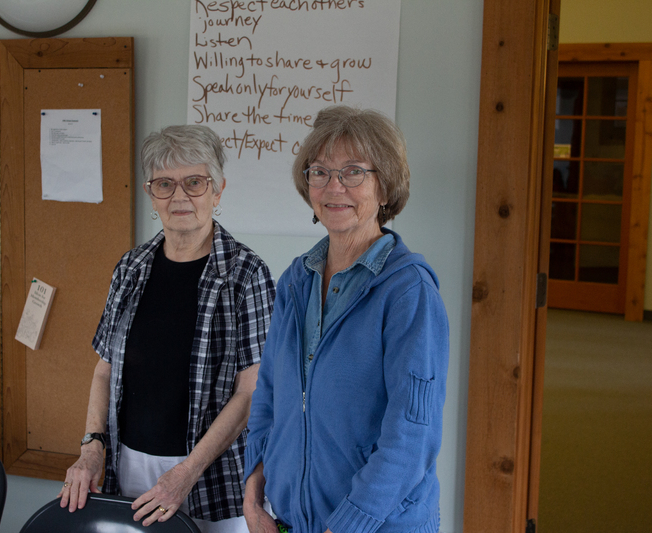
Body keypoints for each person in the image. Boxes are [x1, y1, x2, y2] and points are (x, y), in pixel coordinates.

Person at [59, 124, 276, 533]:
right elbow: (104, 369)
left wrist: (187, 471)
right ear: (150, 194)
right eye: (165, 184)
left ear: (218, 190)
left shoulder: (248, 274)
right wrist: (92, 446)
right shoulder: (131, 267)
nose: (180, 196)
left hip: (211, 480)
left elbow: (251, 393)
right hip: (131, 471)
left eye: (194, 182)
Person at [243, 106, 449, 533]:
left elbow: (413, 433)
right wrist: (253, 480)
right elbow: (269, 391)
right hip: (291, 521)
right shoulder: (296, 280)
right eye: (319, 171)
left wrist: (347, 526)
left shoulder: (409, 291)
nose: (334, 187)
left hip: (374, 526)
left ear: (386, 186)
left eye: (353, 172)